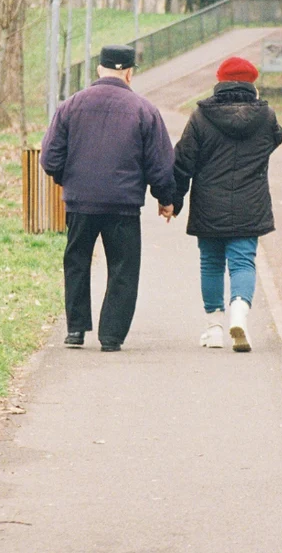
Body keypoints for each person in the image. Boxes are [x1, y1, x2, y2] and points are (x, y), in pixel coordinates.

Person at [42, 44, 176, 352]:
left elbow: (50, 158)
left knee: (76, 261)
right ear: (129, 72)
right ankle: (111, 336)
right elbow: (161, 163)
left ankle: (75, 330)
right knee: (123, 267)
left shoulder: (70, 105)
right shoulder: (144, 110)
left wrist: (70, 180)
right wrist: (165, 198)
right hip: (123, 205)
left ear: (99, 69)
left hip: (80, 202)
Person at [171, 56, 282, 352]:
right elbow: (277, 139)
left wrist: (172, 200)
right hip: (251, 204)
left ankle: (215, 328)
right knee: (243, 262)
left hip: (209, 204)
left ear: (219, 82)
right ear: (253, 84)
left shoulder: (201, 116)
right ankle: (239, 312)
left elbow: (183, 162)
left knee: (211, 263)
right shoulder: (267, 116)